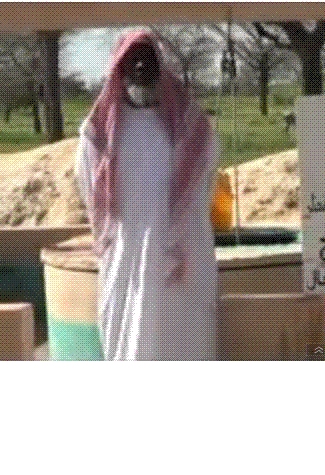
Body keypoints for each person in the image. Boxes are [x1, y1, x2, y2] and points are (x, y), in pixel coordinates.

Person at [74, 29, 220, 360]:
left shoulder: (189, 125)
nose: (140, 66)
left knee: (181, 336)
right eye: (132, 59)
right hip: (125, 250)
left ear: (160, 65)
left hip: (178, 252)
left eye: (147, 58)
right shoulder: (100, 132)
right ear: (119, 68)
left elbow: (206, 175)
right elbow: (90, 189)